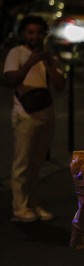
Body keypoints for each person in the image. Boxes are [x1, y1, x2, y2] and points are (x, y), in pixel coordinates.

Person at [4, 15, 66, 223]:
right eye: (30, 32)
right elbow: (11, 80)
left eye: (39, 33)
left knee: (37, 163)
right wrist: (29, 63)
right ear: (23, 34)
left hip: (46, 114)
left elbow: (59, 84)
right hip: (25, 114)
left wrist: (47, 62)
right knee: (22, 163)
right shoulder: (16, 53)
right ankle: (20, 208)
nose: (35, 37)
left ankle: (33, 204)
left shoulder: (49, 56)